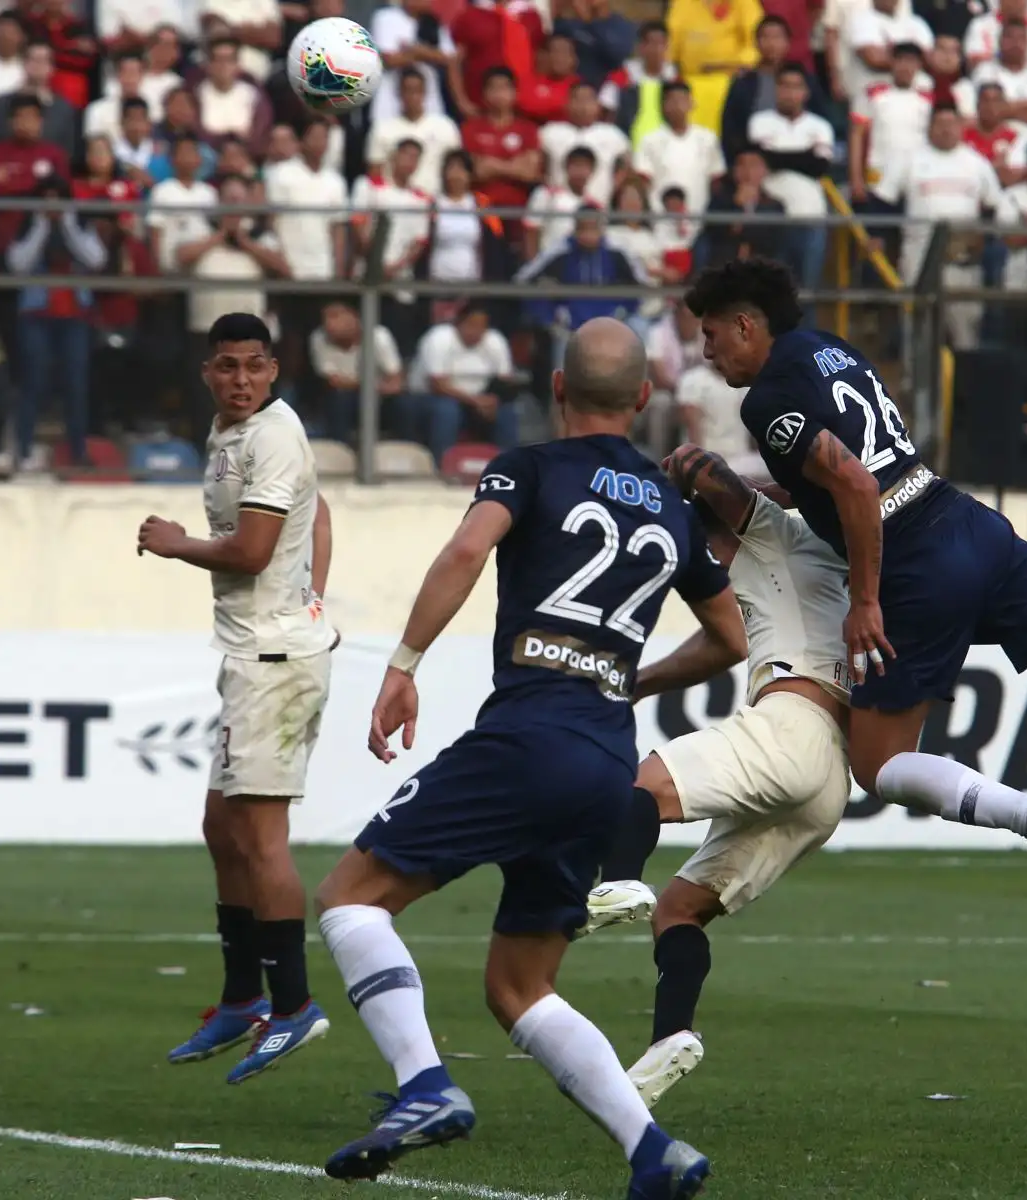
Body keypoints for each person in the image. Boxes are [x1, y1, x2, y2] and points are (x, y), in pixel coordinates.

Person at [312, 317, 744, 1198]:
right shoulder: (670, 503)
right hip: (604, 762)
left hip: (527, 735)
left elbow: (468, 548)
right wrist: (627, 680)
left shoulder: (528, 466)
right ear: (643, 398)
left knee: (351, 899)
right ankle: (652, 1148)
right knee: (520, 982)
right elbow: (730, 638)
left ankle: (425, 1086)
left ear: (555, 388)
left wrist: (403, 666)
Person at [683, 256, 1027, 917]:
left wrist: (864, 601)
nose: (707, 353)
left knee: (878, 766)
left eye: (711, 335)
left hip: (913, 563)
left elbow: (852, 484)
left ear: (744, 325)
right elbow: (833, 474)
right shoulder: (832, 349)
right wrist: (732, 490)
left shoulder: (767, 399)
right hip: (959, 516)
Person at [583, 450, 852, 1110]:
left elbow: (708, 470)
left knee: (642, 784)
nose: (708, 564)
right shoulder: (830, 557)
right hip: (828, 779)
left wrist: (674, 467)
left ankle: (615, 880)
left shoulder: (769, 530)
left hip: (792, 724)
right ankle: (670, 1037)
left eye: (705, 545)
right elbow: (725, 643)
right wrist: (638, 684)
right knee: (681, 909)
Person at [137, 313, 337, 1086]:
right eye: (228, 366)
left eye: (255, 366)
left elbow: (253, 550)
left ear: (275, 369)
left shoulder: (271, 437)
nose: (242, 380)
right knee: (222, 826)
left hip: (275, 658)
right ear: (208, 373)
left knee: (260, 839)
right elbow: (315, 512)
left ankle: (292, 1008)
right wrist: (311, 593)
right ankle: (240, 997)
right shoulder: (233, 435)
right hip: (260, 649)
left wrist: (172, 541)